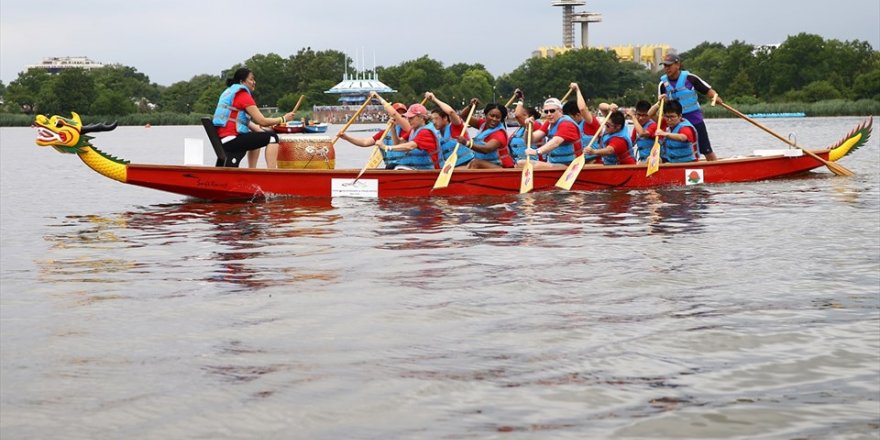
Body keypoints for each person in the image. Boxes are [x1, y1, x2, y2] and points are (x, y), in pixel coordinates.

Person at [212, 67, 296, 168]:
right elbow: (262, 121)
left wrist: (263, 130)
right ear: (242, 81)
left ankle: (252, 170)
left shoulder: (229, 92)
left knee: (257, 136)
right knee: (273, 138)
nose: (254, 82)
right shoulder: (242, 94)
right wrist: (284, 119)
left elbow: (247, 123)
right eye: (251, 79)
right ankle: (272, 173)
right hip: (232, 139)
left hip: (223, 139)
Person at [658, 53, 722, 161]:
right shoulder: (662, 84)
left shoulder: (690, 78)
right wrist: (662, 101)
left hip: (694, 117)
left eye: (669, 65)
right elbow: (661, 107)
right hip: (675, 121)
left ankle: (716, 167)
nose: (667, 68)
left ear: (677, 65)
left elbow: (708, 90)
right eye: (665, 66)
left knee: (705, 148)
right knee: (675, 146)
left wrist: (715, 97)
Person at [337, 99, 410, 169]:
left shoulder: (410, 131)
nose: (400, 117)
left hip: (406, 168)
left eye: (403, 115)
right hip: (391, 168)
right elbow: (365, 142)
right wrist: (347, 138)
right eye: (397, 114)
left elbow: (399, 144)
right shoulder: (384, 133)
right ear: (391, 116)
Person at [376, 99, 440, 170]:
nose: (409, 120)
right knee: (391, 166)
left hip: (429, 170)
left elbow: (410, 146)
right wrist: (393, 129)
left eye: (411, 118)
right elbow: (397, 143)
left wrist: (387, 147)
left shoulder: (426, 132)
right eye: (408, 118)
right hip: (416, 168)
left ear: (421, 117)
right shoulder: (413, 130)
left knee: (393, 167)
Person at [520, 97, 582, 169]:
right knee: (520, 163)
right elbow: (530, 140)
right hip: (556, 163)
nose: (549, 114)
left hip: (571, 166)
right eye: (546, 112)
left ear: (560, 111)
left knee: (530, 165)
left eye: (552, 111)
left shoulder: (566, 124)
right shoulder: (549, 123)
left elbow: (556, 142)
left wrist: (536, 151)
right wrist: (528, 128)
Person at [425, 92, 474, 168]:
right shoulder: (435, 134)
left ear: (445, 118)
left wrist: (434, 99)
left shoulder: (456, 126)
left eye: (436, 118)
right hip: (451, 168)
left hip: (468, 164)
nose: (434, 122)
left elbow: (450, 112)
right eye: (432, 119)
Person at [462, 100, 513, 168]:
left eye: (497, 117)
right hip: (486, 163)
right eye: (492, 116)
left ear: (501, 119)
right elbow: (464, 116)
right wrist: (470, 106)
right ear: (486, 115)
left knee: (475, 163)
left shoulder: (499, 133)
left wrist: (467, 143)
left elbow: (486, 149)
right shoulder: (482, 124)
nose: (494, 119)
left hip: (501, 167)